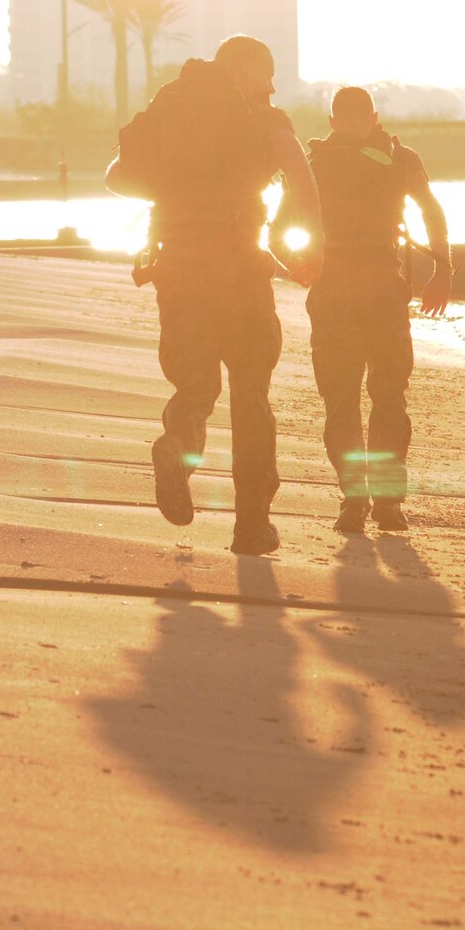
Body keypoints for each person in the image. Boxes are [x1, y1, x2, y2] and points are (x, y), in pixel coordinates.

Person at [106, 35, 322, 555]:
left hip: (177, 271)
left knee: (196, 386)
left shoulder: (171, 114)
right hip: (239, 275)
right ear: (248, 72)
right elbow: (300, 173)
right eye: (267, 79)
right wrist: (310, 242)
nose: (271, 91)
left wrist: (178, 191)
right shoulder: (263, 120)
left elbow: (116, 177)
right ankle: (251, 527)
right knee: (251, 398)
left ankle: (178, 446)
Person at [293, 86, 452, 532]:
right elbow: (432, 213)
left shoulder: (314, 162)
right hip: (384, 290)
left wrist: (298, 264)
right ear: (375, 116)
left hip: (332, 291)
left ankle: (353, 500)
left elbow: (282, 224)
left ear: (331, 122)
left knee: (340, 402)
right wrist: (442, 271)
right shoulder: (400, 157)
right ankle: (387, 503)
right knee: (388, 398)